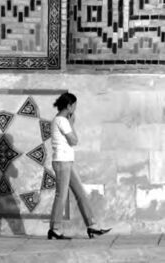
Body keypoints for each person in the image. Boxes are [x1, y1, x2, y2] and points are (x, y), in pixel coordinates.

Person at [48, 91, 111, 240]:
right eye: (74, 106)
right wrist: (71, 124)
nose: (75, 109)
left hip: (66, 162)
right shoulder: (62, 120)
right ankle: (55, 229)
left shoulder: (58, 120)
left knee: (80, 194)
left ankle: (92, 226)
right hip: (62, 162)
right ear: (69, 106)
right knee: (61, 196)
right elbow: (74, 141)